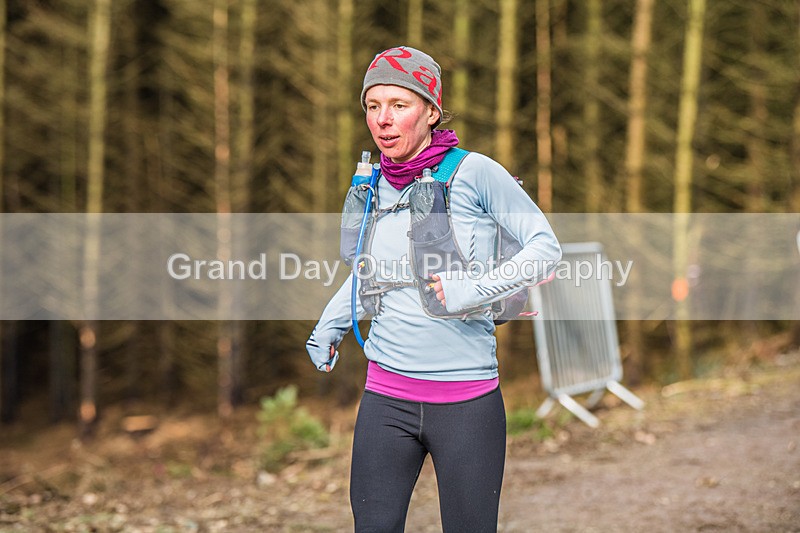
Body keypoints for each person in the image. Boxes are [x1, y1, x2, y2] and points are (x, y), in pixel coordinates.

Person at [306, 46, 561, 533]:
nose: (383, 119)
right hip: (385, 398)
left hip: (466, 403)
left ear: (431, 111)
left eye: (399, 105)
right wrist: (330, 322)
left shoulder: (476, 172)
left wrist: (473, 289)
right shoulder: (373, 183)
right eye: (373, 106)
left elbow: (545, 249)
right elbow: (372, 271)